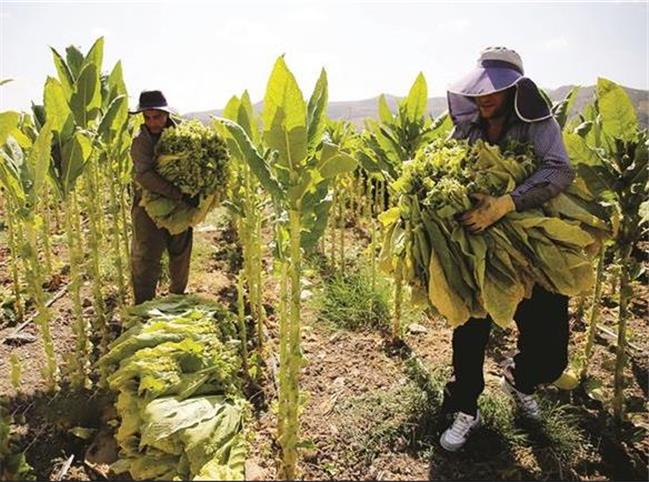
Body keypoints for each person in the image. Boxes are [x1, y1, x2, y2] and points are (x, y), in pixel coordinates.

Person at [439, 47, 575, 452]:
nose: (485, 97)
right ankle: (466, 407)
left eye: (494, 90)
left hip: (532, 245)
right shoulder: (467, 128)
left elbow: (559, 168)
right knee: (470, 331)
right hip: (477, 245)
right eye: (480, 90)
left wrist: (507, 202)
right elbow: (441, 164)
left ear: (516, 89)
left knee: (551, 352)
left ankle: (522, 377)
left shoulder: (537, 123)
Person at [129, 90, 195, 305]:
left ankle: (177, 297)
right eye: (147, 117)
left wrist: (195, 193)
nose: (152, 122)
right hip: (149, 202)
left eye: (156, 116)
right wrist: (178, 193)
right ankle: (144, 304)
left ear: (166, 114)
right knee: (146, 254)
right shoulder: (140, 141)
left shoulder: (183, 136)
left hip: (181, 204)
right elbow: (144, 175)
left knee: (180, 249)